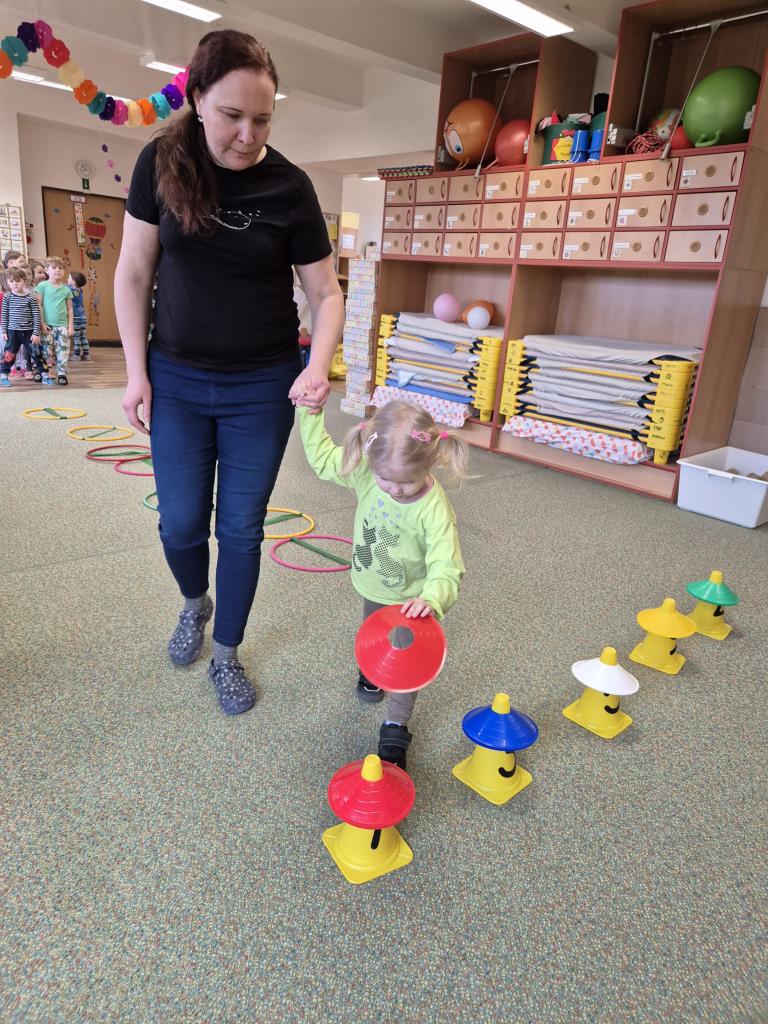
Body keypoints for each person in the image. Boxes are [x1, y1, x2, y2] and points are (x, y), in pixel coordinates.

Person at [114, 29, 344, 716]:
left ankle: (227, 653)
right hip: (177, 378)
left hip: (261, 385)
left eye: (263, 119)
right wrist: (135, 373)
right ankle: (195, 602)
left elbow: (326, 293)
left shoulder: (291, 186)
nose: (248, 135)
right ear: (196, 100)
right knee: (180, 524)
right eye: (232, 116)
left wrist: (318, 364)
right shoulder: (160, 162)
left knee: (241, 528)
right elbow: (133, 273)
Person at [297, 400, 468, 769]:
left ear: (428, 464)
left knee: (408, 660)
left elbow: (447, 565)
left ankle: (395, 726)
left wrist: (432, 598)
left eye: (407, 482)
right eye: (385, 480)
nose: (395, 490)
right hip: (372, 584)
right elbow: (323, 460)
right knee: (373, 632)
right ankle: (372, 671)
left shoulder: (434, 508)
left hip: (412, 601)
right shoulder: (366, 471)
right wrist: (309, 414)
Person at [1, 267, 45, 385]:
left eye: (18, 281)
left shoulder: (31, 298)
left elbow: (36, 316)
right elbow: (4, 315)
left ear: (24, 281)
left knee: (36, 353)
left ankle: (44, 374)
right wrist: (4, 331)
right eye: (11, 281)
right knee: (9, 354)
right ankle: (4, 375)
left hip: (29, 332)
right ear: (7, 282)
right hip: (12, 332)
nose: (15, 284)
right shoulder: (7, 297)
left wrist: (36, 333)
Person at [35, 256, 73, 385]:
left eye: (61, 268)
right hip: (47, 326)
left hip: (63, 326)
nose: (58, 270)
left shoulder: (66, 289)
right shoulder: (42, 286)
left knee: (63, 350)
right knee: (46, 351)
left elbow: (70, 310)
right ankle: (47, 372)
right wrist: (42, 323)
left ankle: (62, 374)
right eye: (54, 267)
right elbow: (38, 305)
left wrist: (70, 326)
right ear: (46, 270)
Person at [68, 271, 89, 360]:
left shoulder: (71, 290)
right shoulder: (80, 290)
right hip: (82, 317)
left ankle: (76, 355)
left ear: (73, 282)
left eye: (69, 278)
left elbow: (64, 287)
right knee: (83, 336)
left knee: (76, 337)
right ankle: (86, 354)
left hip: (76, 318)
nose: (67, 279)